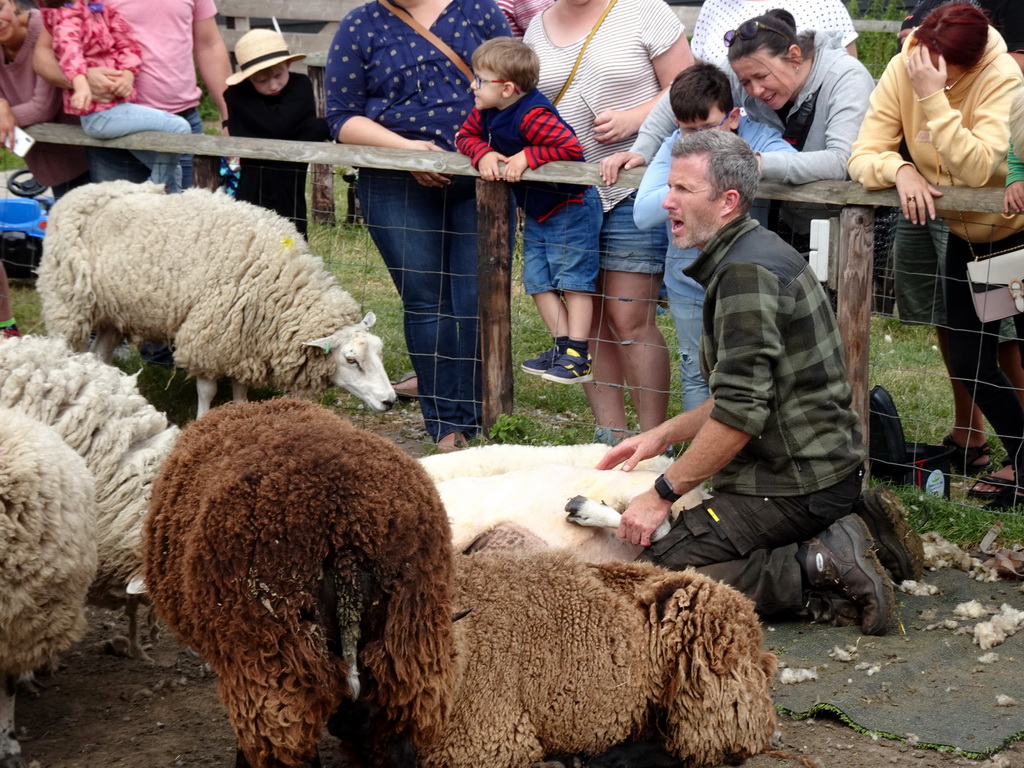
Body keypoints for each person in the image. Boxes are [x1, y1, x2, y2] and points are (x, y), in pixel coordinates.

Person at [597, 129, 900, 636]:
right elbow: (740, 394)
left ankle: (820, 565)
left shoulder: (745, 275)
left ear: (727, 202)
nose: (667, 201)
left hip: (795, 484)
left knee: (649, 578)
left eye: (683, 191)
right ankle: (851, 523)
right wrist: (661, 436)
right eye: (669, 187)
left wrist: (662, 493)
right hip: (816, 471)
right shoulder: (750, 253)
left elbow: (738, 417)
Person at [848, 1, 1024, 511]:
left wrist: (932, 99)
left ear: (968, 65)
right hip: (968, 237)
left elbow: (978, 165)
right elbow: (863, 152)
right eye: (922, 66)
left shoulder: (1001, 76)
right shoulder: (910, 62)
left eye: (942, 74)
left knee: (1014, 354)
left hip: (1013, 237)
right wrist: (899, 168)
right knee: (971, 364)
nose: (924, 75)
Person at [325, 0, 511, 452]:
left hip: (478, 178)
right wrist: (406, 150)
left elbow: (514, 87)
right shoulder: (360, 24)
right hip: (394, 183)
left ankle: (484, 412)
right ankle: (447, 424)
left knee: (475, 300)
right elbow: (341, 117)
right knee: (427, 301)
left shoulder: (479, 12)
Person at [524, 0, 694, 444]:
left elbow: (689, 87)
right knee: (590, 316)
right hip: (567, 198)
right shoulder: (537, 27)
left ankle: (653, 441)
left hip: (629, 187)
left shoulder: (645, 11)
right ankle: (611, 436)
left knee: (629, 317)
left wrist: (636, 118)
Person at [632, 62, 795, 413]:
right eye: (689, 131)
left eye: (708, 127)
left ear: (733, 117)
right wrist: (696, 184)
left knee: (750, 373)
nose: (699, 140)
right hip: (688, 280)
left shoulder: (759, 138)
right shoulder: (674, 145)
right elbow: (644, 212)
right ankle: (698, 463)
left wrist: (739, 164)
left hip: (748, 282)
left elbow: (799, 163)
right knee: (696, 370)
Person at [455, 37, 601, 384]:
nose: (471, 85)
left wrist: (528, 156)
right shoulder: (486, 111)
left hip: (571, 206)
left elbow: (570, 148)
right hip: (539, 210)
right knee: (537, 282)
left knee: (574, 282)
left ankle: (578, 354)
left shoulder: (533, 114)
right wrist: (484, 154)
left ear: (507, 88)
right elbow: (463, 137)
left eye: (479, 79)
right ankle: (562, 346)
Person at [601, 2, 862, 184]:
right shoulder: (746, 69)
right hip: (779, 214)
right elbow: (679, 94)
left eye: (762, 77)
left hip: (844, 223)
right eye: (744, 82)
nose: (755, 90)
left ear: (794, 56)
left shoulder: (847, 78)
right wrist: (641, 150)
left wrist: (756, 163)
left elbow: (842, 161)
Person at [33, 0, 232, 190]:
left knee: (188, 217)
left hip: (184, 120)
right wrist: (81, 79)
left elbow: (209, 45)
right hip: (116, 128)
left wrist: (230, 117)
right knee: (120, 221)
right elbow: (43, 54)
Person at [223, 29, 330, 236]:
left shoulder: (300, 85)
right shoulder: (236, 94)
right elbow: (279, 125)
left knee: (292, 237)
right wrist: (316, 127)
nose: (273, 85)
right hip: (253, 184)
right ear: (248, 79)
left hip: (290, 181)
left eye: (278, 75)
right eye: (261, 81)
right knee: (250, 239)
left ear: (288, 65)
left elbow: (274, 126)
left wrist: (264, 130)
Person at [0, 0, 89, 197]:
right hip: (47, 160)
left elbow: (42, 107)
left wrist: (5, 119)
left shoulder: (46, 27)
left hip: (85, 153)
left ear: (12, 4)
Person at [690, 0, 857, 70]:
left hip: (800, 133)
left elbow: (847, 81)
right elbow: (699, 77)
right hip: (723, 133)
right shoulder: (714, 5)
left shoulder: (824, 4)